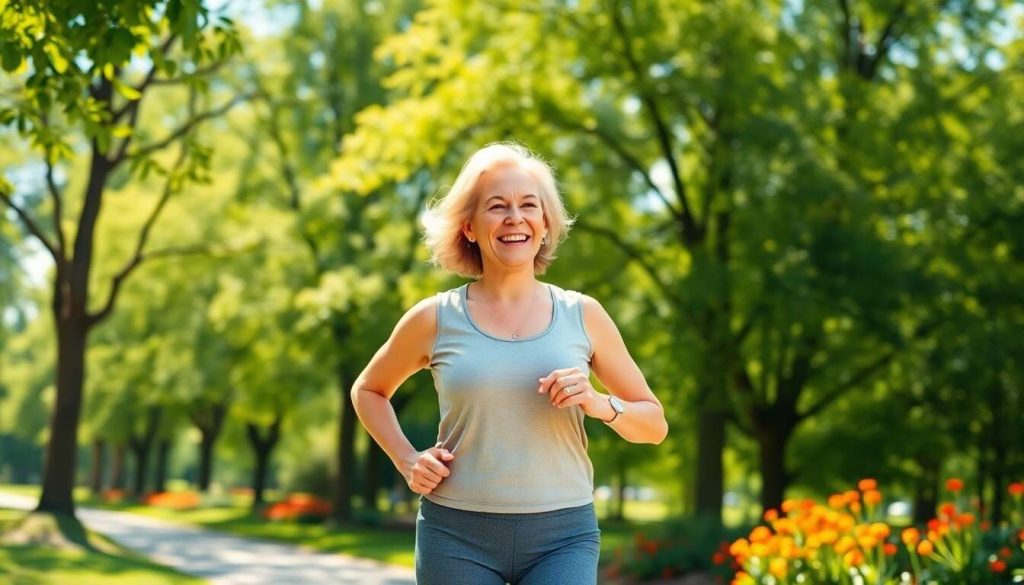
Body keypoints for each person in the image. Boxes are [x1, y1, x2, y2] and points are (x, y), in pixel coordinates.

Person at [351, 142, 668, 585]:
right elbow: (368, 390)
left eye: (528, 206)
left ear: (544, 224)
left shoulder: (584, 314)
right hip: (455, 534)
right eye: (497, 207)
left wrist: (598, 403)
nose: (514, 218)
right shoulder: (435, 317)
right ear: (470, 228)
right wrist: (406, 460)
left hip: (564, 537)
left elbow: (654, 425)